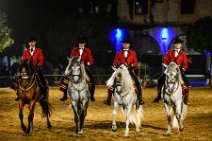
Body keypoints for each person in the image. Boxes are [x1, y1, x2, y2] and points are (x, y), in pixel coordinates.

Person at [103, 38, 144, 106]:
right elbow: (115, 62)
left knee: (137, 83)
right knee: (112, 82)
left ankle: (140, 99)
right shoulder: (119, 53)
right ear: (122, 44)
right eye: (124, 44)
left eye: (127, 44)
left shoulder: (133, 53)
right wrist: (116, 65)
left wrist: (132, 65)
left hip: (130, 70)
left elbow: (136, 62)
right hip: (121, 70)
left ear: (129, 45)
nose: (125, 45)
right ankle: (108, 99)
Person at [153, 38, 190, 105]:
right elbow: (165, 61)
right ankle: (158, 96)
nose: (177, 45)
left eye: (179, 44)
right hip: (169, 71)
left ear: (181, 45)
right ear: (174, 45)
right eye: (176, 44)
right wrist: (167, 66)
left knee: (186, 82)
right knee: (160, 80)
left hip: (178, 71)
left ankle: (186, 98)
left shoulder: (183, 54)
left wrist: (183, 69)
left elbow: (185, 64)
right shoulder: (169, 52)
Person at [11, 36, 48, 101]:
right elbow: (24, 60)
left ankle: (44, 95)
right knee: (18, 78)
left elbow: (41, 59)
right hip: (28, 69)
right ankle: (17, 93)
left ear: (35, 42)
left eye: (33, 42)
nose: (31, 43)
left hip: (36, 68)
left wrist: (39, 64)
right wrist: (22, 63)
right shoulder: (25, 52)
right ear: (28, 43)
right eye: (30, 42)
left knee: (43, 80)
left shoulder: (39, 50)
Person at [59, 36, 96, 101]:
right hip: (75, 67)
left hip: (84, 67)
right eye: (79, 43)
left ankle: (91, 96)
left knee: (91, 80)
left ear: (85, 43)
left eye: (82, 43)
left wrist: (88, 63)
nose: (80, 45)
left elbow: (91, 60)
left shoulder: (88, 50)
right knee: (65, 79)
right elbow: (72, 58)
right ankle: (64, 96)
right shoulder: (74, 50)